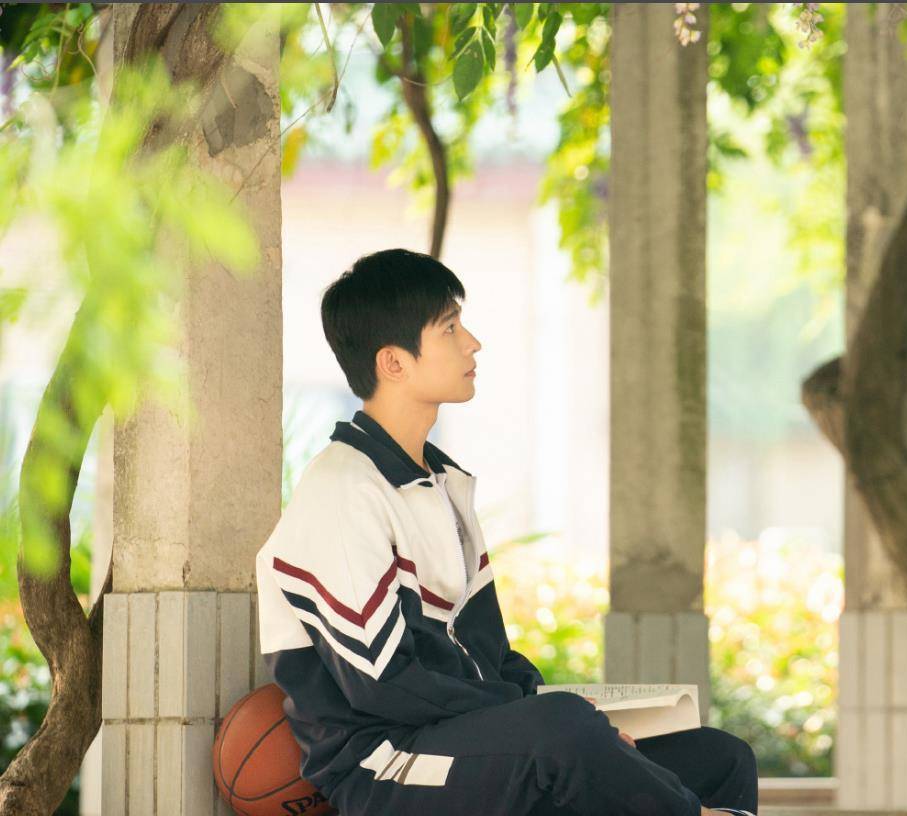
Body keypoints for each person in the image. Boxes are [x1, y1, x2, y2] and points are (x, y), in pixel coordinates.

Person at [254, 249, 758, 815]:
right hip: (386, 766)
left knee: (719, 756)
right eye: (449, 328)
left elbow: (491, 655)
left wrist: (585, 725)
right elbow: (383, 684)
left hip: (471, 743)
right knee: (564, 729)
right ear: (394, 362)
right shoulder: (343, 489)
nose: (472, 343)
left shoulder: (442, 484)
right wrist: (555, 725)